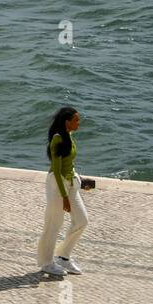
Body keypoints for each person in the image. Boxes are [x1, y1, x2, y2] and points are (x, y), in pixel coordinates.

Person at [37, 106, 89, 277]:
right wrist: (65, 197)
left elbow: (69, 165)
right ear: (67, 122)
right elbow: (58, 171)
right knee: (53, 224)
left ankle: (63, 257)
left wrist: (81, 181)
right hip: (57, 185)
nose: (79, 123)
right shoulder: (57, 140)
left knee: (81, 220)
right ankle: (46, 262)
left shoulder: (69, 136)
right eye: (76, 120)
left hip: (71, 183)